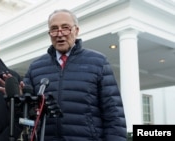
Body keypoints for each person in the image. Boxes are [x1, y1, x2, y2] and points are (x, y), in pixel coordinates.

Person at [23, 9, 127, 141]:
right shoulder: (35, 67)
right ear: (49, 34)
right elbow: (27, 113)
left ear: (76, 31)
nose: (60, 34)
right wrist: (16, 97)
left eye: (65, 28)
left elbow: (114, 113)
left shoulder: (98, 62)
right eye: (54, 29)